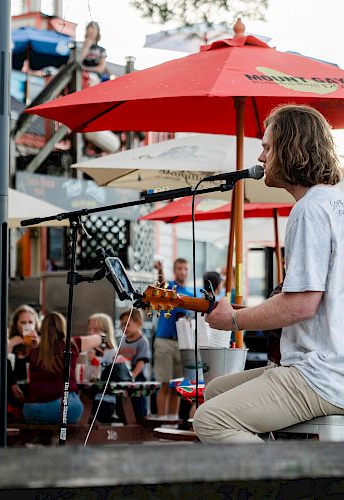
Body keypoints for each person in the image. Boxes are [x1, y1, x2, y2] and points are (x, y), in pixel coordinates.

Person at [193, 104, 344, 443]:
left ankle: (282, 483)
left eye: (267, 147)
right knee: (216, 390)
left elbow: (301, 305)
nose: (261, 158)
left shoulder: (309, 210)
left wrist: (233, 320)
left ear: (291, 149)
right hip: (332, 365)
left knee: (210, 421)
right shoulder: (335, 202)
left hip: (322, 375)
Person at [23, 312, 103, 424]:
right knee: (76, 406)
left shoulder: (34, 350)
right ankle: (67, 438)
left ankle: (47, 437)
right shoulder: (72, 344)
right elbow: (98, 338)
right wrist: (103, 339)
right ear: (63, 327)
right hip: (64, 409)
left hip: (32, 411)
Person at [153, 258, 193, 417]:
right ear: (174, 270)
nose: (182, 271)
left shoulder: (191, 294)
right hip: (165, 341)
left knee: (176, 387)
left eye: (185, 268)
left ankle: (173, 422)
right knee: (164, 384)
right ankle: (163, 422)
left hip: (182, 344)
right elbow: (161, 285)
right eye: (179, 268)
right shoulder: (169, 287)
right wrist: (160, 271)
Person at [119, 309, 150, 419]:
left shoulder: (142, 341)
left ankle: (141, 421)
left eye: (127, 324)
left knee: (138, 404)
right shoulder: (122, 341)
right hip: (124, 376)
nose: (124, 328)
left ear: (138, 323)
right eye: (122, 325)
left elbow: (141, 363)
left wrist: (132, 377)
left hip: (137, 378)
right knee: (124, 404)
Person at [7, 305, 40, 382]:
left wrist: (37, 345)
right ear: (16, 324)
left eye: (30, 322)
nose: (27, 326)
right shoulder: (12, 343)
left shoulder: (42, 343)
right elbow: (2, 369)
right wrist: (10, 346)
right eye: (23, 322)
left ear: (35, 324)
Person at [80, 21, 107, 86]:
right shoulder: (79, 46)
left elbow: (101, 68)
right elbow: (78, 60)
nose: (92, 30)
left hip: (94, 77)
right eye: (90, 28)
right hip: (79, 75)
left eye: (95, 28)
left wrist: (86, 68)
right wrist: (86, 46)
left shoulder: (101, 50)